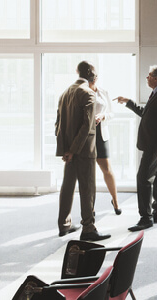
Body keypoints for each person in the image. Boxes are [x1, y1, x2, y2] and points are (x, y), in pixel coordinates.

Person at [115, 65, 157, 232]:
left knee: (143, 179)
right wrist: (128, 102)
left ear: (156, 78)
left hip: (154, 146)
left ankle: (146, 217)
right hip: (152, 145)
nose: (147, 78)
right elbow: (146, 113)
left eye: (149, 76)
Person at [55, 61, 111, 241]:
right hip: (84, 150)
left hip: (70, 151)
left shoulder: (65, 92)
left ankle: (64, 224)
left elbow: (59, 124)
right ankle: (88, 228)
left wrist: (65, 150)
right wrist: (73, 150)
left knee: (68, 186)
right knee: (87, 188)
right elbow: (87, 126)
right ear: (93, 76)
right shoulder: (87, 93)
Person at [88, 74, 121, 215]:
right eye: (91, 76)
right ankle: (90, 206)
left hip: (101, 134)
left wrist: (103, 116)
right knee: (89, 172)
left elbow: (112, 113)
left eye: (95, 76)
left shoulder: (103, 92)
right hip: (87, 135)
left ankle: (115, 201)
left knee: (107, 169)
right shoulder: (82, 92)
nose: (94, 78)